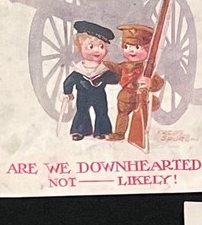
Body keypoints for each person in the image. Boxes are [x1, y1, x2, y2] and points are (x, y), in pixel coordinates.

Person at [61, 19, 119, 140]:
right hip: (83, 95)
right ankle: (80, 130)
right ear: (79, 48)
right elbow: (69, 81)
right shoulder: (79, 69)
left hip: (99, 95)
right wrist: (67, 92)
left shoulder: (103, 69)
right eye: (91, 46)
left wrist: (106, 77)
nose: (96, 50)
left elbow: (114, 78)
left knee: (102, 112)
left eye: (101, 47)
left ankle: (102, 131)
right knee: (82, 112)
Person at [113, 20, 166, 149]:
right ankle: (119, 134)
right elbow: (114, 70)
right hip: (125, 97)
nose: (131, 51)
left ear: (148, 49)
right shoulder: (124, 65)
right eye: (126, 47)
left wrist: (150, 83)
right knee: (122, 114)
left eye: (137, 47)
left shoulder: (147, 68)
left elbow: (159, 82)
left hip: (140, 98)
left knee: (141, 119)